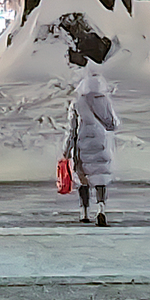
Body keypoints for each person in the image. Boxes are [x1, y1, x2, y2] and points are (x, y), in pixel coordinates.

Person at [63, 70, 120, 227]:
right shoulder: (104, 101)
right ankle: (101, 209)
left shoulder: (77, 103)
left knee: (83, 180)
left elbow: (71, 129)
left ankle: (84, 212)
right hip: (100, 144)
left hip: (82, 145)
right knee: (100, 177)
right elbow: (112, 124)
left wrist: (67, 150)